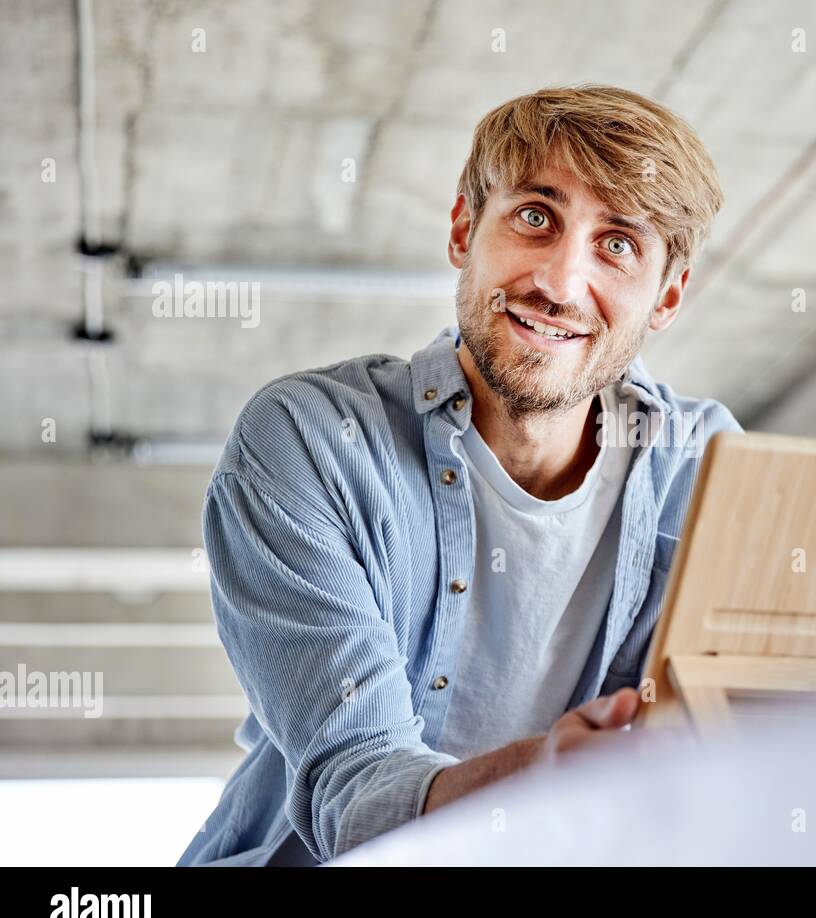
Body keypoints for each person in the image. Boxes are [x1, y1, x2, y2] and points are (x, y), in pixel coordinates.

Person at [178, 84, 738, 865]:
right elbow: (358, 788)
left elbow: (733, 746)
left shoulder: (702, 466)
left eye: (617, 244)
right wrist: (542, 778)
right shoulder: (311, 441)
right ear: (464, 228)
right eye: (536, 217)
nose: (560, 282)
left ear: (667, 294)